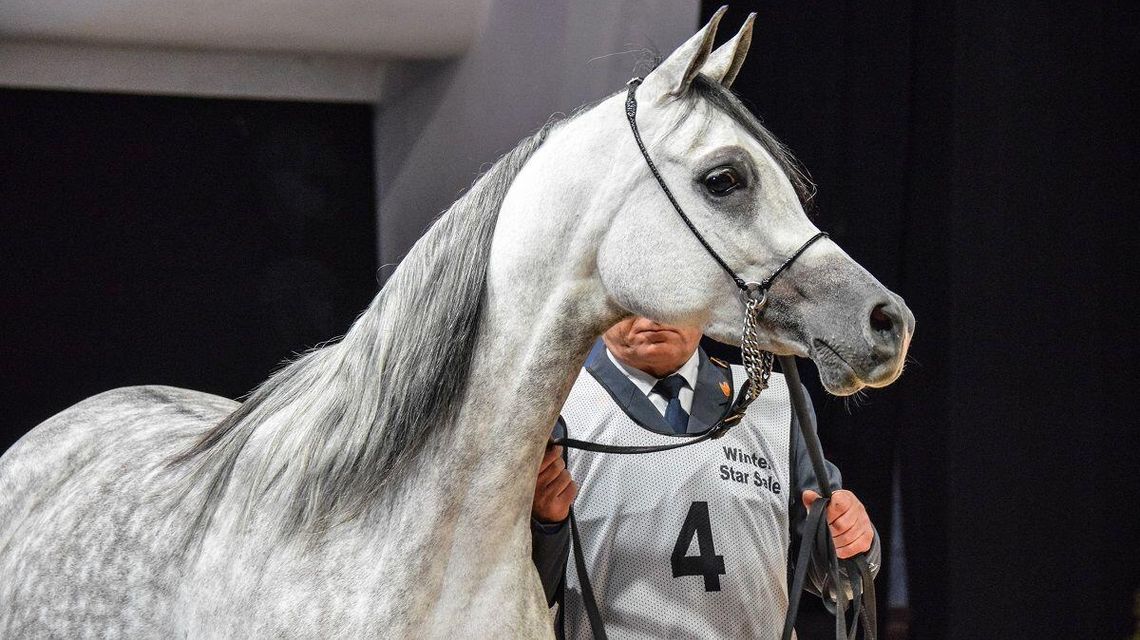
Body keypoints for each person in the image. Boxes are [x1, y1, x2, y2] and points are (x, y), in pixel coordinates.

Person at [531, 317, 881, 639]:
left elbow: (836, 575)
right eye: (632, 298)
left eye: (672, 293)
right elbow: (516, 596)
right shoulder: (551, 407)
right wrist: (544, 528)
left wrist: (852, 542)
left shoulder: (776, 401)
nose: (653, 312)